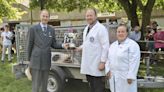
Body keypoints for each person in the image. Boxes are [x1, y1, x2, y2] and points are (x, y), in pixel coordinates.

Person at [27, 9, 68, 92]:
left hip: (46, 61)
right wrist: (29, 61)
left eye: (47, 16)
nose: (45, 18)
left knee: (44, 84)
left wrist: (63, 45)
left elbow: (54, 44)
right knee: (36, 85)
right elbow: (29, 45)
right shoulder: (33, 29)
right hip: (36, 61)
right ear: (40, 16)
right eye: (43, 16)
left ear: (49, 18)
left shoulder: (51, 30)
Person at [76, 8, 109, 92]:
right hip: (88, 65)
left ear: (95, 16)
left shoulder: (101, 29)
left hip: (97, 65)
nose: (89, 17)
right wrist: (79, 48)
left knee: (98, 88)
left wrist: (103, 62)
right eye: (87, 16)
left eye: (91, 15)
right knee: (91, 88)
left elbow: (106, 46)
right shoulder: (86, 28)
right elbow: (87, 43)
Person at [105, 24, 140, 92]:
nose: (120, 33)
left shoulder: (132, 45)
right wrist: (107, 70)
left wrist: (131, 76)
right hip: (114, 76)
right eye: (119, 32)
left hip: (126, 77)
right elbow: (108, 59)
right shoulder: (113, 45)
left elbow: (134, 62)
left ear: (127, 33)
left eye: (123, 31)